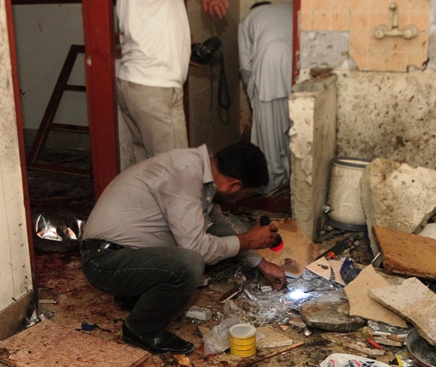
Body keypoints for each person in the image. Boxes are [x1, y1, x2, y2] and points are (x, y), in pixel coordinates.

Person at [80, 142, 286, 355]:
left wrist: (261, 263)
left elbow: (224, 229)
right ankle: (141, 330)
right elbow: (199, 249)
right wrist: (248, 240)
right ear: (234, 185)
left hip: (128, 255)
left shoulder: (201, 174)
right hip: (103, 261)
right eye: (243, 193)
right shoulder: (183, 176)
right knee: (190, 263)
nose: (238, 199)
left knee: (218, 241)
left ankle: (135, 296)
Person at [115, 0, 229, 166]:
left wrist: (184, 53)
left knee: (148, 170)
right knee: (176, 171)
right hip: (156, 89)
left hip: (134, 84)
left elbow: (147, 32)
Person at [238, 1, 293, 194]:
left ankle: (273, 187)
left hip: (270, 68)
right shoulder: (288, 7)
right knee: (293, 128)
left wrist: (253, 93)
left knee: (269, 135)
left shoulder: (247, 19)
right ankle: (291, 182)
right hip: (297, 63)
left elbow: (245, 66)